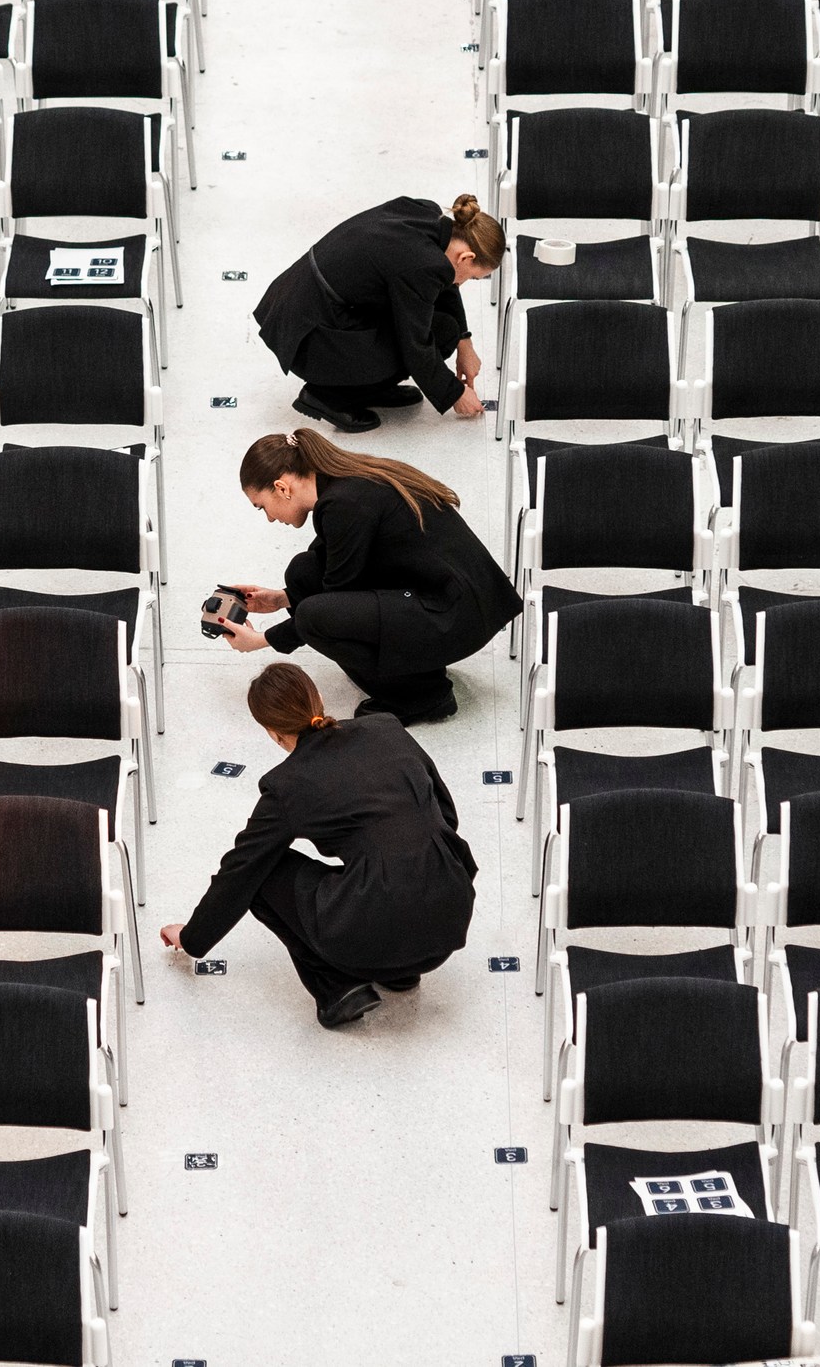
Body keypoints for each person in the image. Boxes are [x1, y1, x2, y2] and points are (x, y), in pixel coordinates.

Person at [161, 663, 479, 1028]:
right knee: (388, 856)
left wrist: (192, 938)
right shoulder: (386, 727)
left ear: (272, 733)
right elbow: (446, 815)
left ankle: (337, 989)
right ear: (320, 699)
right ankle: (401, 974)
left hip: (377, 931)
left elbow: (240, 871)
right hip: (450, 917)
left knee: (263, 872)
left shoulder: (286, 785)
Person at [206, 430, 522, 725]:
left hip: (456, 619)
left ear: (282, 488)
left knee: (314, 617)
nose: (270, 518)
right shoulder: (343, 482)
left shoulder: (344, 505)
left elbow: (327, 608)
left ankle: (422, 697)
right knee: (302, 572)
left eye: (262, 507)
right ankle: (416, 673)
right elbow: (334, 574)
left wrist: (262, 640)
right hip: (453, 598)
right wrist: (279, 599)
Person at [252, 193, 505, 433]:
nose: (463, 283)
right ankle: (328, 396)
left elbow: (444, 283)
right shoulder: (422, 264)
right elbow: (416, 345)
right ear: (466, 257)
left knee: (447, 329)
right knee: (437, 335)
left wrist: (464, 341)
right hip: (308, 336)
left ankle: (369, 389)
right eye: (472, 277)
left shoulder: (428, 216)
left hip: (298, 306)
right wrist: (455, 393)